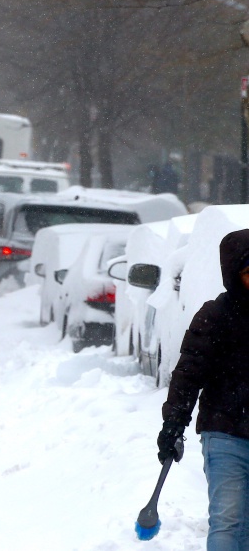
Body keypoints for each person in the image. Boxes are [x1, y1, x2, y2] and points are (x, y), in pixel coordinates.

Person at [158, 228, 249, 549]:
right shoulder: (215, 316)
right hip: (226, 435)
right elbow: (187, 376)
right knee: (229, 520)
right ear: (233, 274)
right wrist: (173, 425)